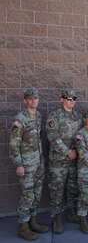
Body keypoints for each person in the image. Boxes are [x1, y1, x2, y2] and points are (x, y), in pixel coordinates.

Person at [9, 88, 48, 241]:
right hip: (26, 165)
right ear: (25, 100)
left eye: (36, 98)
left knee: (36, 195)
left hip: (38, 163)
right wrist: (18, 164)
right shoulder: (19, 119)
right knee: (27, 195)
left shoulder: (38, 116)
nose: (33, 101)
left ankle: (33, 221)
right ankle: (23, 227)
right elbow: (13, 144)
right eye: (30, 98)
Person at [46, 89, 83, 234]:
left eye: (74, 98)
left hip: (74, 160)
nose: (72, 101)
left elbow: (81, 136)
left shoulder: (78, 116)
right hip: (58, 161)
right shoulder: (54, 115)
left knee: (72, 188)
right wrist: (68, 152)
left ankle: (72, 214)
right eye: (68, 98)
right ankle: (57, 219)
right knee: (57, 191)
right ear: (62, 99)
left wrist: (77, 151)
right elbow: (52, 137)